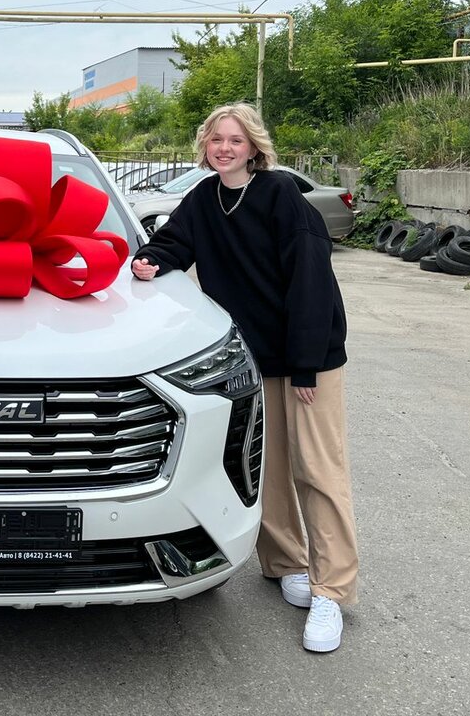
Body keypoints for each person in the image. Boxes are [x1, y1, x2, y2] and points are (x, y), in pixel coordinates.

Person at [131, 101, 358, 653]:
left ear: (254, 146)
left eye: (235, 140)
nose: (225, 148)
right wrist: (150, 260)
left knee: (318, 470)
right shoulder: (204, 198)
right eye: (216, 139)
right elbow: (173, 242)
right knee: (267, 468)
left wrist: (306, 363)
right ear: (205, 146)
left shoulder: (280, 194)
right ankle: (286, 565)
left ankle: (332, 591)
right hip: (254, 361)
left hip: (307, 358)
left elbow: (311, 280)